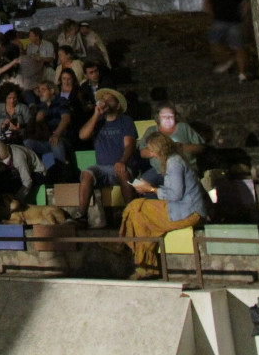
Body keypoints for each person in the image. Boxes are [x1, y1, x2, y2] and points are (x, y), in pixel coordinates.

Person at [121, 132, 208, 279]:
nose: (151, 154)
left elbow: (175, 194)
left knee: (136, 208)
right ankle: (145, 264)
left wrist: (150, 189)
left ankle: (137, 258)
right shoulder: (173, 160)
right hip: (181, 208)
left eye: (152, 150)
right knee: (137, 211)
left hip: (187, 211)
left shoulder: (174, 162)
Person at [75, 88, 139, 225]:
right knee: (86, 173)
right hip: (101, 168)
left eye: (109, 99)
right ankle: (82, 216)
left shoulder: (125, 121)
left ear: (117, 105)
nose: (105, 101)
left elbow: (130, 145)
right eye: (103, 98)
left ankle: (132, 214)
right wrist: (96, 115)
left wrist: (122, 161)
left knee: (122, 172)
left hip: (121, 165)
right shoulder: (97, 121)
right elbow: (82, 135)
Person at [137, 104, 205, 187]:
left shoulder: (183, 127)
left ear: (175, 117)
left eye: (171, 116)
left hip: (184, 170)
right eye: (164, 116)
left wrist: (181, 147)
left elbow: (200, 148)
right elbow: (142, 153)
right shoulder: (151, 130)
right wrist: (158, 151)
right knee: (142, 183)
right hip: (159, 171)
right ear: (157, 118)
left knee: (178, 188)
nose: (167, 119)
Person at [203, 0, 250, 81]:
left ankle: (227, 60)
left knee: (214, 43)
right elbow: (246, 4)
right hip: (234, 22)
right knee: (239, 48)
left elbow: (206, 6)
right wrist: (242, 15)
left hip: (219, 21)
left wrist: (212, 15)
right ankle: (242, 74)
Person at [0, 141, 46, 211]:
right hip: (17, 173)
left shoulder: (19, 156)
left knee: (14, 185)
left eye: (7, 158)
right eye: (2, 160)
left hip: (37, 173)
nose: (6, 162)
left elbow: (27, 181)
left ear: (8, 149)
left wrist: (17, 198)